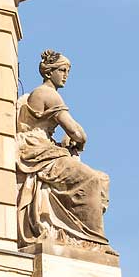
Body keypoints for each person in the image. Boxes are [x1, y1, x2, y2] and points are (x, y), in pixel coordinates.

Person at [16, 50, 113, 252]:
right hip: (37, 150)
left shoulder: (47, 94)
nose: (65, 75)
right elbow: (77, 131)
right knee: (91, 179)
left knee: (102, 178)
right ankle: (92, 238)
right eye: (62, 70)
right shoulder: (46, 94)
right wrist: (78, 141)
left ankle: (81, 232)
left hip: (46, 147)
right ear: (49, 72)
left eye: (67, 70)